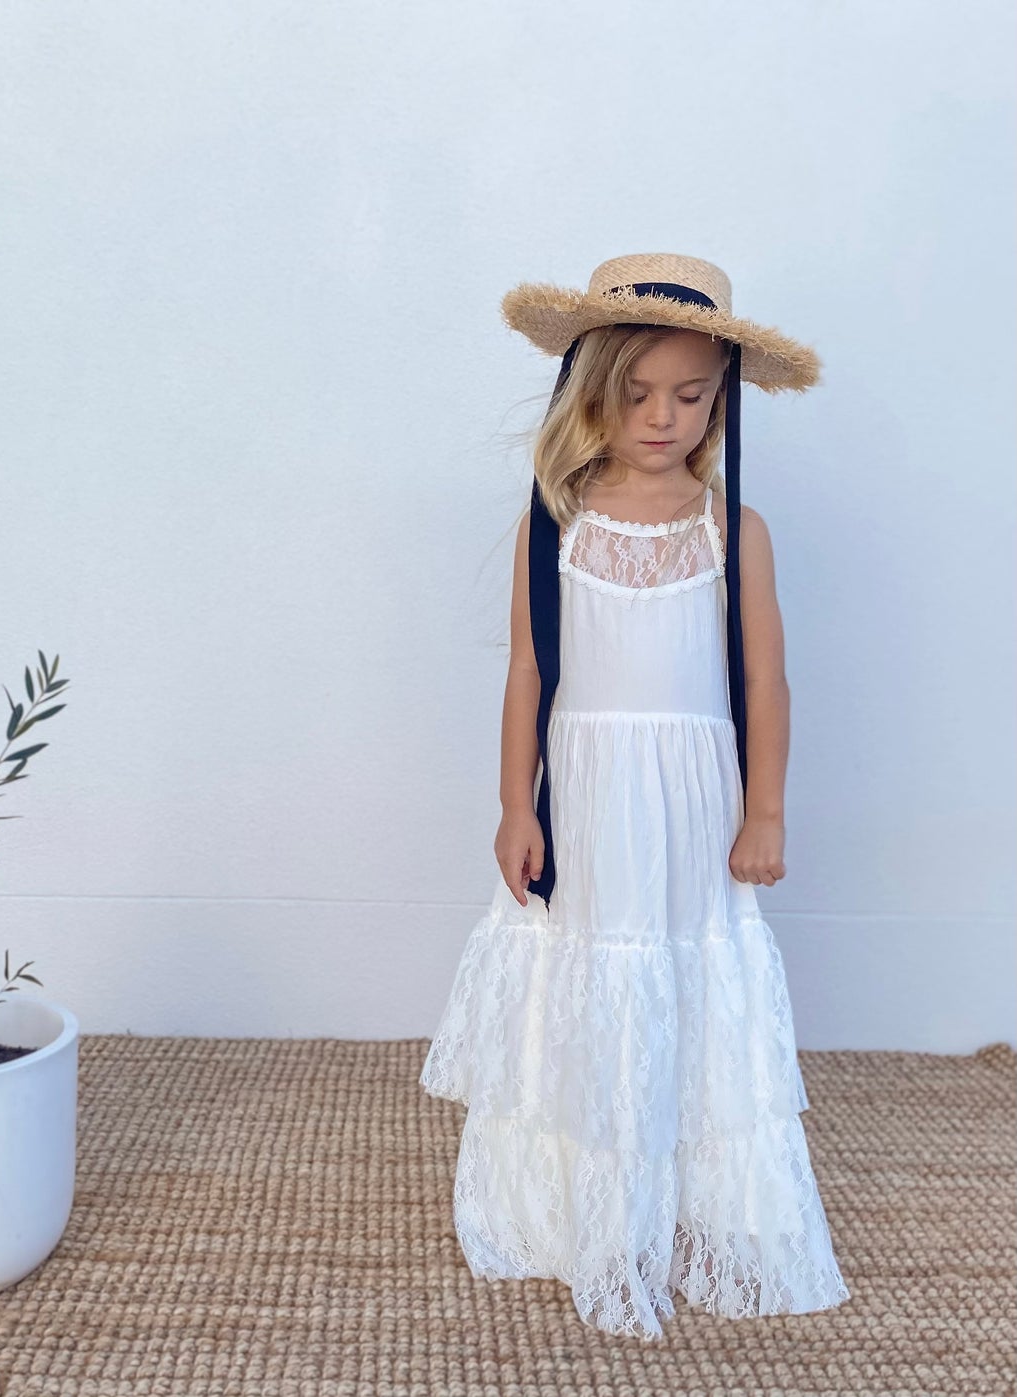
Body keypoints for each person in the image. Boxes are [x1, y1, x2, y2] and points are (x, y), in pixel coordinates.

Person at [418, 253, 852, 1341]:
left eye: (690, 395)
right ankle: (578, 1210)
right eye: (637, 392)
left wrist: (765, 812)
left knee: (681, 968)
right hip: (589, 795)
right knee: (590, 973)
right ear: (591, 392)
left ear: (720, 401)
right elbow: (527, 670)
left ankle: (688, 1201)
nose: (662, 417)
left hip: (692, 801)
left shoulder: (727, 532)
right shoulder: (554, 522)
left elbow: (764, 679)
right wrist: (515, 805)